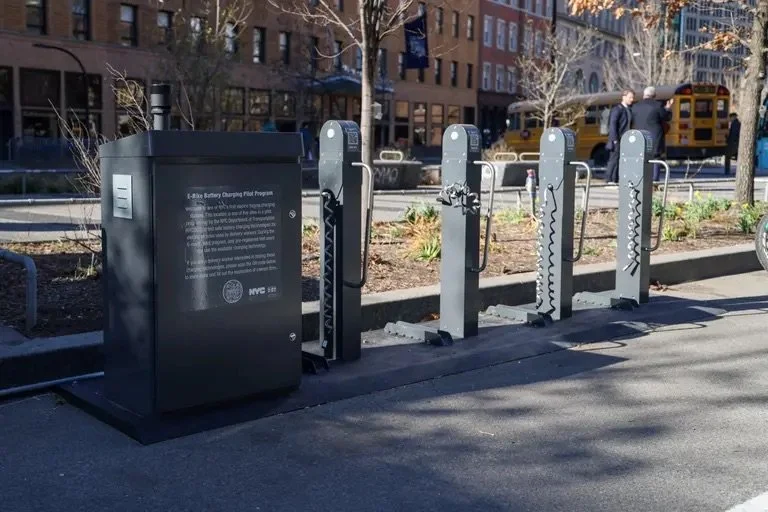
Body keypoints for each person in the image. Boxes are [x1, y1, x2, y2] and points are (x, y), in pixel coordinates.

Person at [631, 86, 674, 181]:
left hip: (640, 136)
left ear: (644, 95)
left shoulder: (635, 106)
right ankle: (654, 181)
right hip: (654, 137)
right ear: (654, 96)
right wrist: (668, 108)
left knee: (642, 158)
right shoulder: (658, 106)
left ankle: (641, 179)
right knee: (656, 158)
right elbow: (666, 117)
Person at [605, 89, 635, 184]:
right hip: (617, 139)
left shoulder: (629, 109)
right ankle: (609, 179)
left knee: (621, 160)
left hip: (626, 139)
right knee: (614, 159)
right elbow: (612, 124)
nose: (632, 99)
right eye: (630, 97)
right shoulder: (617, 109)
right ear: (624, 97)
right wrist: (614, 139)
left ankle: (616, 179)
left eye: (632, 97)